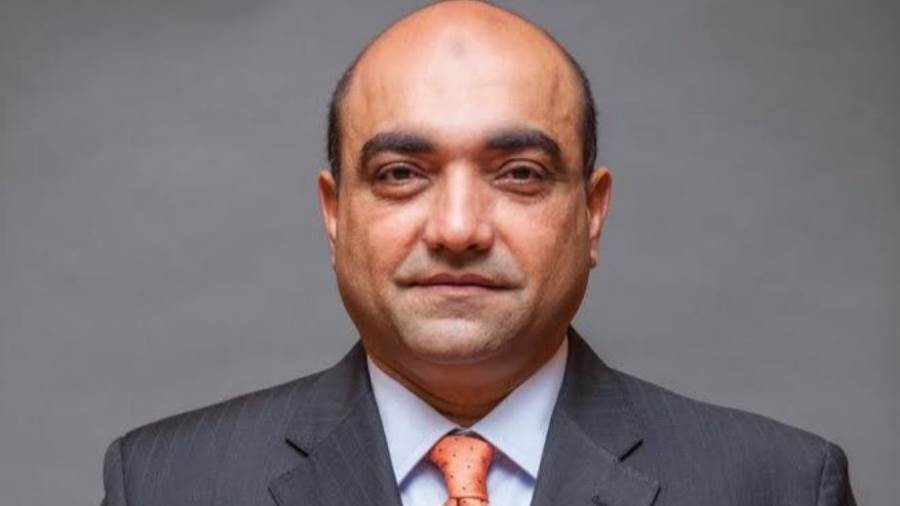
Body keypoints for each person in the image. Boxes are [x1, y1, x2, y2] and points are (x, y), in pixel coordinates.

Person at [100, 2, 856, 505]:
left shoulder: (780, 486)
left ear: (591, 213)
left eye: (519, 174)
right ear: (335, 215)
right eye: (401, 174)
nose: (458, 229)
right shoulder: (169, 485)